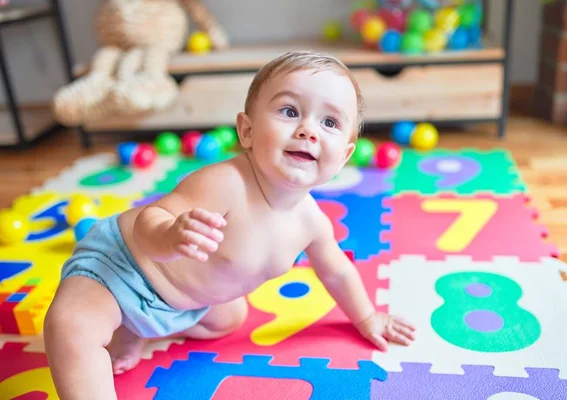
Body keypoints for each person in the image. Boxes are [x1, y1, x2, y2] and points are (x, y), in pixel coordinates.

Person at [43, 50, 416, 399]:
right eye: (289, 111)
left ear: (345, 156)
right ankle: (117, 335)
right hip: (121, 268)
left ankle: (135, 329)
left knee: (230, 316)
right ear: (247, 131)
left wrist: (367, 317)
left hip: (187, 303)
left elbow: (336, 273)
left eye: (330, 122)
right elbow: (149, 219)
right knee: (71, 325)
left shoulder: (312, 223)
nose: (308, 130)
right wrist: (171, 236)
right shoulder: (225, 183)